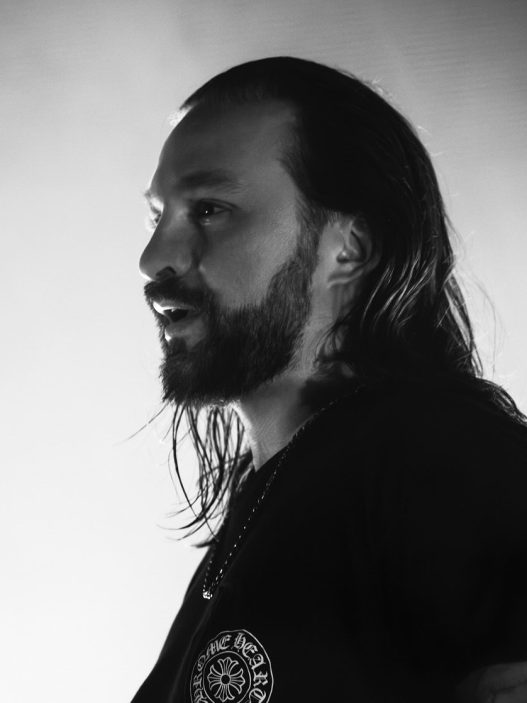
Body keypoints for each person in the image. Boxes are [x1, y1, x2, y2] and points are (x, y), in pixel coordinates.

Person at [132, 57, 527, 702]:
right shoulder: (273, 498)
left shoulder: (436, 453)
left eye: (208, 209)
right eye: (158, 217)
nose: (155, 259)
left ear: (349, 248)